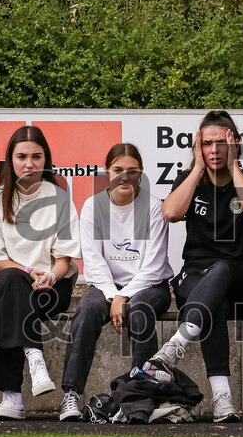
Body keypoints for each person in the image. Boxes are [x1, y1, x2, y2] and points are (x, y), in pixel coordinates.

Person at [147, 110, 243, 423]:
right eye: (206, 144)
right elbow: (171, 213)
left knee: (224, 269)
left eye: (221, 143)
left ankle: (177, 344)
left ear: (236, 145)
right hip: (196, 275)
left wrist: (234, 168)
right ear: (197, 148)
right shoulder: (190, 179)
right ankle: (223, 399)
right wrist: (197, 170)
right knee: (212, 299)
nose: (214, 150)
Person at [59, 143, 174, 421]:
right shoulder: (93, 206)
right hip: (105, 285)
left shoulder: (153, 207)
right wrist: (113, 294)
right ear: (106, 172)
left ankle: (139, 395)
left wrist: (125, 296)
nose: (125, 177)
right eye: (118, 170)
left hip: (149, 286)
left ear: (141, 173)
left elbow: (153, 267)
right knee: (86, 311)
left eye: (132, 171)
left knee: (140, 310)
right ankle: (71, 394)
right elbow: (94, 261)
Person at [0, 126, 81, 420]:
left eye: (36, 156)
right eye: (21, 156)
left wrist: (51, 276)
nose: (29, 163)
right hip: (11, 280)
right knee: (11, 284)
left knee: (11, 305)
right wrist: (27, 272)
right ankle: (35, 356)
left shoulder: (59, 197)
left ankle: (12, 397)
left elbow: (64, 257)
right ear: (10, 160)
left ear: (46, 159)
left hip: (51, 289)